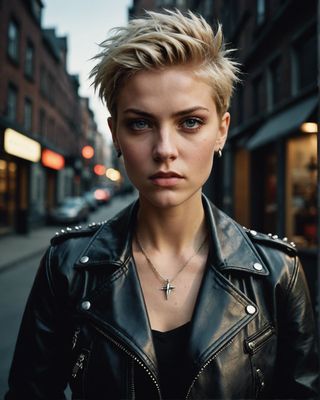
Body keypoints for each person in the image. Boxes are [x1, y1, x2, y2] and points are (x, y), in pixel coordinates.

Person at [6, 9, 318, 400]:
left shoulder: (276, 272)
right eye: (140, 123)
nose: (165, 150)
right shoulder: (67, 266)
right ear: (115, 134)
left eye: (190, 123)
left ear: (221, 131)